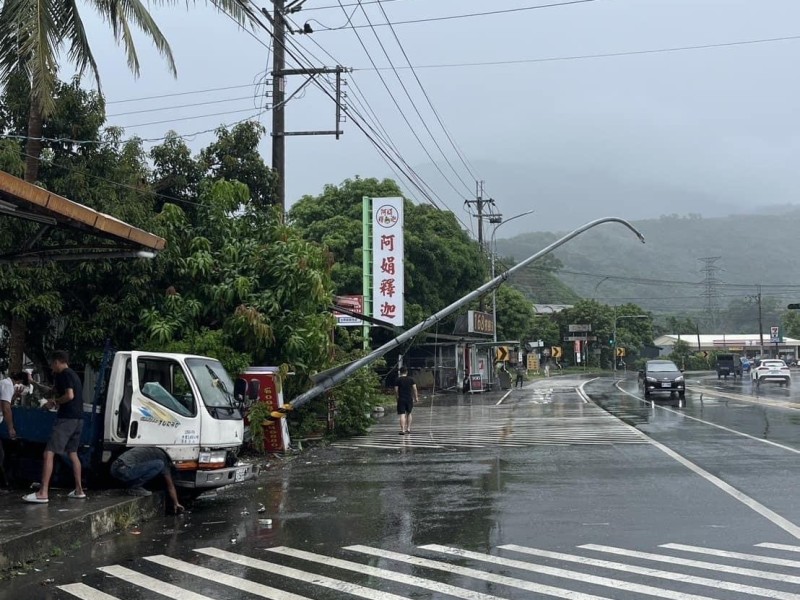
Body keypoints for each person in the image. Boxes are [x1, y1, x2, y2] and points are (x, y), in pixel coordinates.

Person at [23, 351, 86, 503]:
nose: (51, 367)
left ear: (58, 362)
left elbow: (69, 396)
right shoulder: (73, 375)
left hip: (66, 419)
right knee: (73, 453)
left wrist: (53, 403)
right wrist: (32, 382)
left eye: (52, 364)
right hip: (78, 419)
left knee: (49, 453)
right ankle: (79, 490)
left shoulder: (64, 374)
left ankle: (42, 493)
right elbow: (52, 391)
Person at [110, 446, 184, 513]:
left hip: (115, 468)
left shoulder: (155, 450)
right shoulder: (163, 460)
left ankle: (131, 485)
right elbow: (170, 486)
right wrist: (176, 503)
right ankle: (134, 487)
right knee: (159, 464)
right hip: (124, 469)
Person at [0, 372, 31, 489]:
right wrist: (10, 428)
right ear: (19, 383)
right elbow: (6, 408)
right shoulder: (7, 385)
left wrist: (14, 396)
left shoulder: (6, 384)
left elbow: (6, 402)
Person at [394, 367, 418, 435]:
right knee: (409, 413)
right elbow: (415, 389)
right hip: (409, 398)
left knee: (402, 414)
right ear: (406, 372)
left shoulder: (397, 380)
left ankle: (402, 430)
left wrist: (397, 397)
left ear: (400, 372)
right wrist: (416, 397)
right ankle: (408, 429)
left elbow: (396, 390)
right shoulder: (411, 379)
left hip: (401, 399)